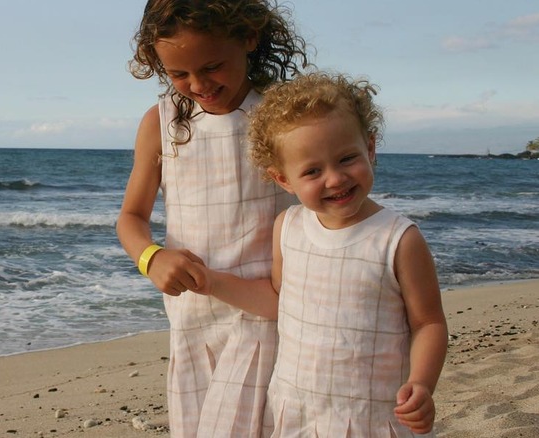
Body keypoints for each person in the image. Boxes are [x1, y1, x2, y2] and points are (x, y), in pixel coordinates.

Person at [193, 71, 449, 436]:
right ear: (283, 179)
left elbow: (428, 323)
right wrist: (211, 282)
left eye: (347, 159)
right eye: (312, 170)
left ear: (370, 148)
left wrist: (422, 383)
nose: (334, 178)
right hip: (296, 411)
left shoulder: (397, 239)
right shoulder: (288, 227)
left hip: (370, 416)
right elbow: (278, 299)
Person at [116, 0, 308, 436]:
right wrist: (150, 258)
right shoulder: (161, 122)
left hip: (266, 314)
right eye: (179, 74)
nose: (198, 83)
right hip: (191, 322)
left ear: (249, 37)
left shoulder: (280, 117)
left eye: (212, 66)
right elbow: (130, 216)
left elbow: (322, 196)